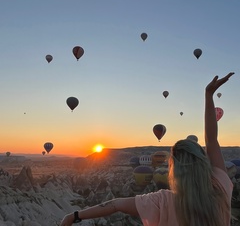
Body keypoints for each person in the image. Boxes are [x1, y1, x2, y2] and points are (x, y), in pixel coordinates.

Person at [60, 72, 234, 226]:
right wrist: (209, 95)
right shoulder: (221, 188)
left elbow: (114, 204)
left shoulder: (163, 201)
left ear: (175, 169)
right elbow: (212, 140)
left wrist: (73, 216)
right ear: (202, 162)